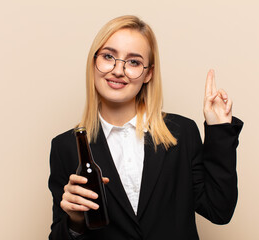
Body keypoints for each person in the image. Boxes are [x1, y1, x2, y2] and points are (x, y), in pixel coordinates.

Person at [48, 15, 243, 240]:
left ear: (148, 73)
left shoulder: (181, 133)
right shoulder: (66, 147)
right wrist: (74, 220)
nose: (118, 71)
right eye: (108, 56)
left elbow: (219, 210)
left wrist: (219, 129)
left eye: (133, 62)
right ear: (93, 63)